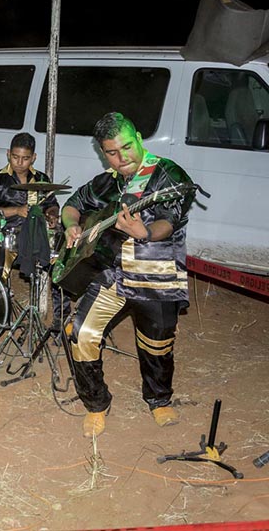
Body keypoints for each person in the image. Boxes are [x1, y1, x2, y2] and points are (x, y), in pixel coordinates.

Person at [60, 112, 195, 438]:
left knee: (157, 343)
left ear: (138, 136)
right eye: (111, 152)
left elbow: (170, 220)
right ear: (102, 152)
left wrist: (145, 232)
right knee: (80, 333)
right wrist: (71, 225)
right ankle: (96, 402)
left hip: (155, 274)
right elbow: (72, 204)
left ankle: (158, 399)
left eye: (127, 147)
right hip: (112, 273)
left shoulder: (167, 175)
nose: (122, 159)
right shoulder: (106, 182)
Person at [0, 132, 68, 324]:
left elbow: (52, 203)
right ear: (8, 154)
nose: (19, 162)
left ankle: (57, 320)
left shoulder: (42, 179)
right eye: (15, 157)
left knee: (60, 263)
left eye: (25, 158)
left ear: (33, 158)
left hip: (36, 236)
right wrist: (15, 211)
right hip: (7, 235)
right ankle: (0, 318)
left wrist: (52, 214)